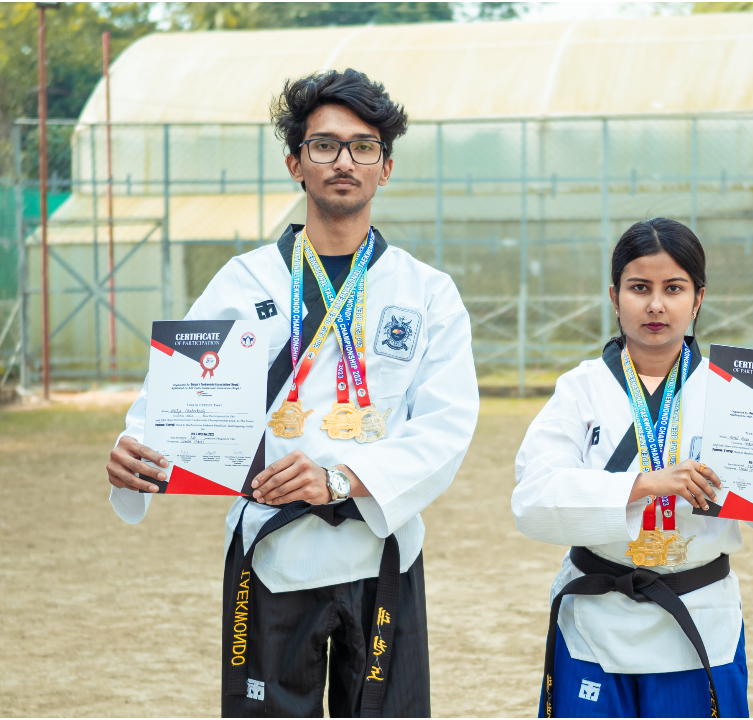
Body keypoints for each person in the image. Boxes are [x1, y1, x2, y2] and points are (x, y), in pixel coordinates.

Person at [104, 69, 479, 717]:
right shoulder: (241, 280)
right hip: (273, 554)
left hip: (381, 549)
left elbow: (445, 428)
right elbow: (172, 403)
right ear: (295, 163)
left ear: (385, 168)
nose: (344, 161)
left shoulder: (426, 293)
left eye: (363, 147)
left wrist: (339, 480)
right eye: (324, 145)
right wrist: (133, 452)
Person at [511, 218, 753, 718]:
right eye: (639, 288)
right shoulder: (580, 389)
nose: (655, 305)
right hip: (595, 623)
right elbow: (534, 500)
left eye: (673, 288)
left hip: (699, 620)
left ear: (697, 299)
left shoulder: (740, 394)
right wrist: (644, 484)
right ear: (614, 295)